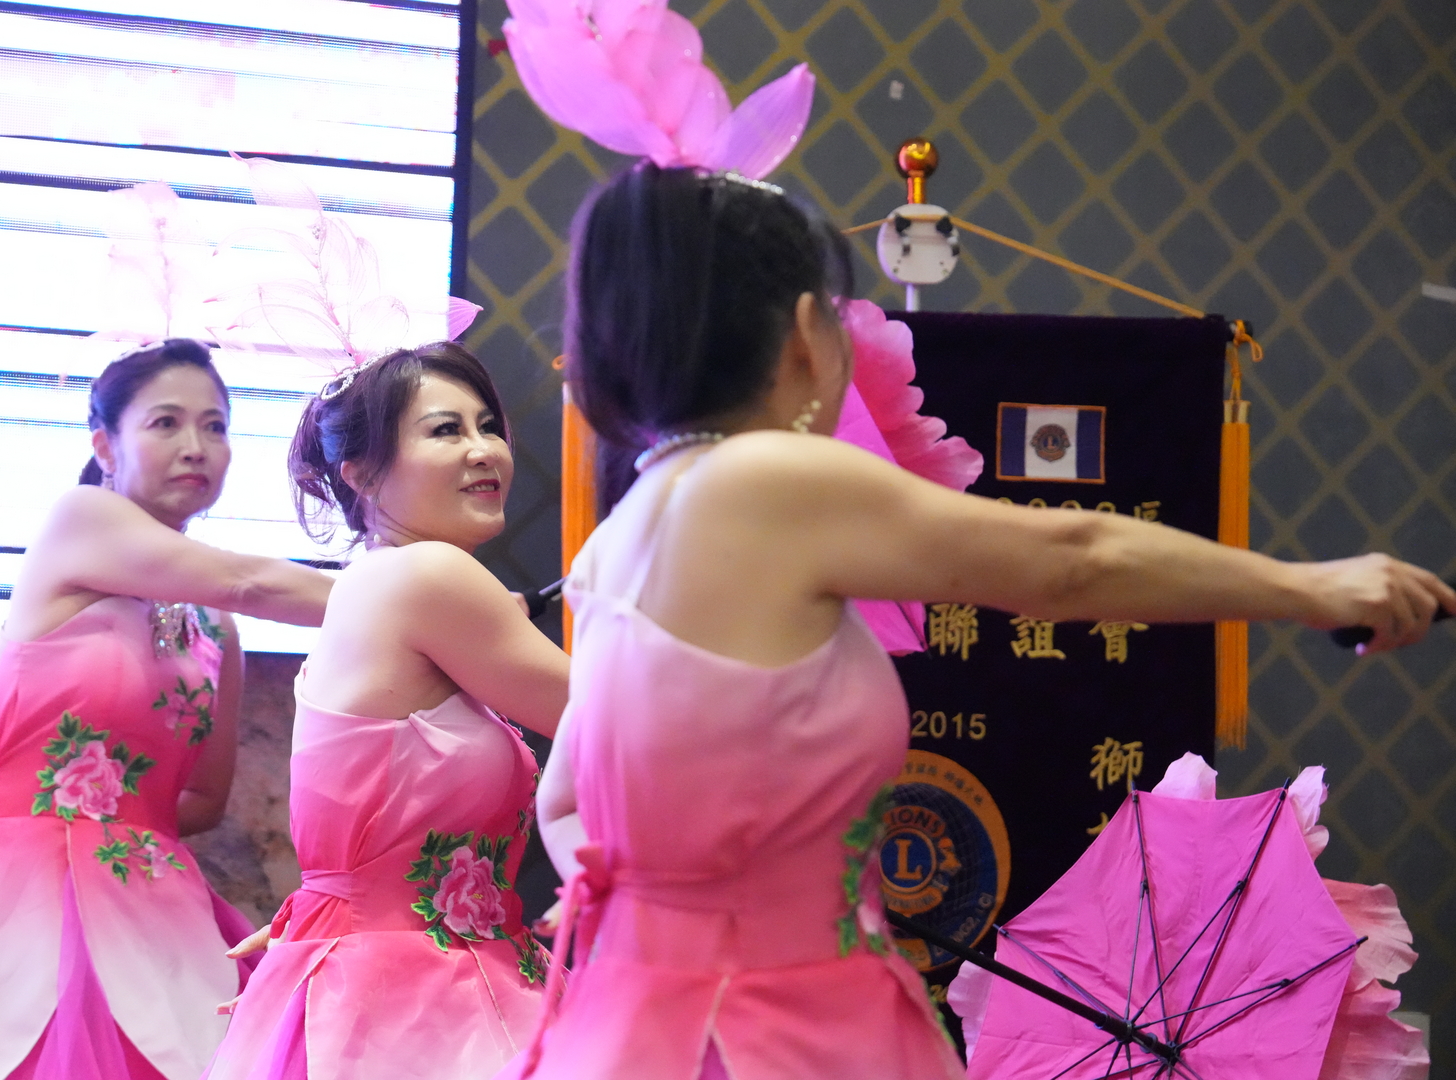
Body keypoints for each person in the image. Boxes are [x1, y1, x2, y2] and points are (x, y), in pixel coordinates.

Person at [512, 166, 1456, 1080]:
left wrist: (685, 917)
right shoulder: (766, 477)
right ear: (807, 332)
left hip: (634, 1023)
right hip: (783, 1027)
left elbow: (565, 804)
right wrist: (1311, 585)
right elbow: (1071, 560)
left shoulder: (615, 541)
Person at [0, 339, 335, 1080]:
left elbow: (204, 799)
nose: (195, 446)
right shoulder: (80, 521)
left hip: (153, 897)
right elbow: (249, 579)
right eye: (166, 423)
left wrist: (121, 824)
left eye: (215, 426)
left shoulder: (215, 625)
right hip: (20, 888)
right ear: (104, 443)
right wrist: (419, 602)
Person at [202, 342, 568, 1080]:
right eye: (446, 430)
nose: (484, 450)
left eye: (488, 426)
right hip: (423, 1003)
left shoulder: (370, 585)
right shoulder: (428, 575)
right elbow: (618, 723)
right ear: (361, 472)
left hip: (379, 980)